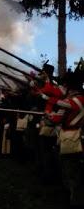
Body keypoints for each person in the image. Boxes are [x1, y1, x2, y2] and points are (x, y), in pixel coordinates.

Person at [48, 71, 84, 208]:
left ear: (69, 86)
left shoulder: (67, 102)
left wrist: (48, 115)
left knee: (71, 176)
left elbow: (55, 120)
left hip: (71, 142)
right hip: (82, 139)